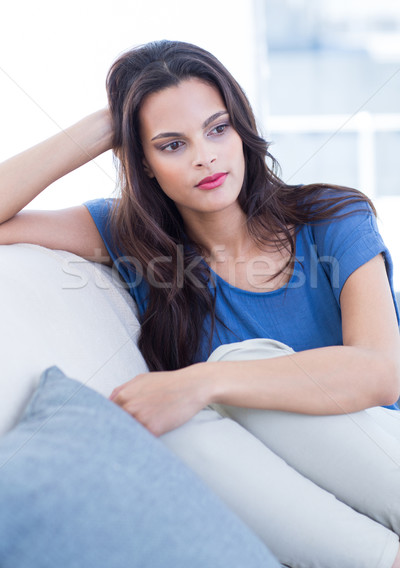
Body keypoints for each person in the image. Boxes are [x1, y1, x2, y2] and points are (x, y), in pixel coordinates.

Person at [0, 39, 400, 567]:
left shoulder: (331, 217)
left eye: (217, 128)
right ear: (141, 163)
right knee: (176, 430)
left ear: (242, 130)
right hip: (298, 506)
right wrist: (105, 124)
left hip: (381, 459)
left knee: (231, 368)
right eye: (171, 145)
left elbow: (381, 371)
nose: (205, 155)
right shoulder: (129, 238)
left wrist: (202, 381)